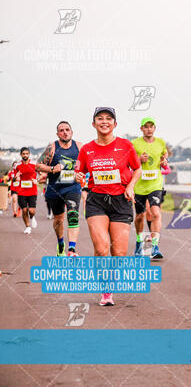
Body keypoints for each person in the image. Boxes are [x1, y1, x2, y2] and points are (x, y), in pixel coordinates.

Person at [75, 107, 141, 306]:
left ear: (115, 124)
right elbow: (79, 172)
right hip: (97, 201)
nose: (104, 121)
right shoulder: (87, 149)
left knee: (119, 253)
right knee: (102, 248)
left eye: (109, 118)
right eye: (100, 118)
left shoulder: (125, 145)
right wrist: (80, 179)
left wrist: (130, 186)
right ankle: (106, 291)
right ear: (93, 124)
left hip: (121, 200)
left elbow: (137, 169)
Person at [36, 121, 83, 256]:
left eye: (67, 129)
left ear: (71, 132)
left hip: (72, 187)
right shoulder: (52, 148)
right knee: (59, 219)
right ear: (58, 134)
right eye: (61, 130)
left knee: (73, 214)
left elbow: (87, 164)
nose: (65, 132)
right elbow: (38, 166)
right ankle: (61, 243)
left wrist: (82, 174)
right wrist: (51, 168)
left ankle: (72, 249)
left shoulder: (79, 146)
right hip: (55, 188)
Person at [131, 117, 167, 259]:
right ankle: (139, 243)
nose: (149, 129)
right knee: (140, 216)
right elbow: (130, 162)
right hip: (139, 185)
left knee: (155, 213)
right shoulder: (134, 143)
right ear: (141, 129)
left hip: (155, 184)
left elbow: (164, 154)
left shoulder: (160, 142)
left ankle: (154, 246)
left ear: (155, 128)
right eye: (146, 126)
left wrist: (165, 160)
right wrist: (139, 160)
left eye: (151, 126)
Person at [15, 147, 38, 234]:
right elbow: (13, 178)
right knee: (24, 210)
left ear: (29, 154)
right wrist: (16, 177)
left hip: (32, 191)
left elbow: (42, 173)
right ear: (21, 154)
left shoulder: (34, 164)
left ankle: (32, 217)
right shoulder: (17, 165)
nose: (25, 155)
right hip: (22, 191)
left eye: (27, 154)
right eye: (23, 154)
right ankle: (27, 226)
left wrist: (37, 180)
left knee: (31, 211)